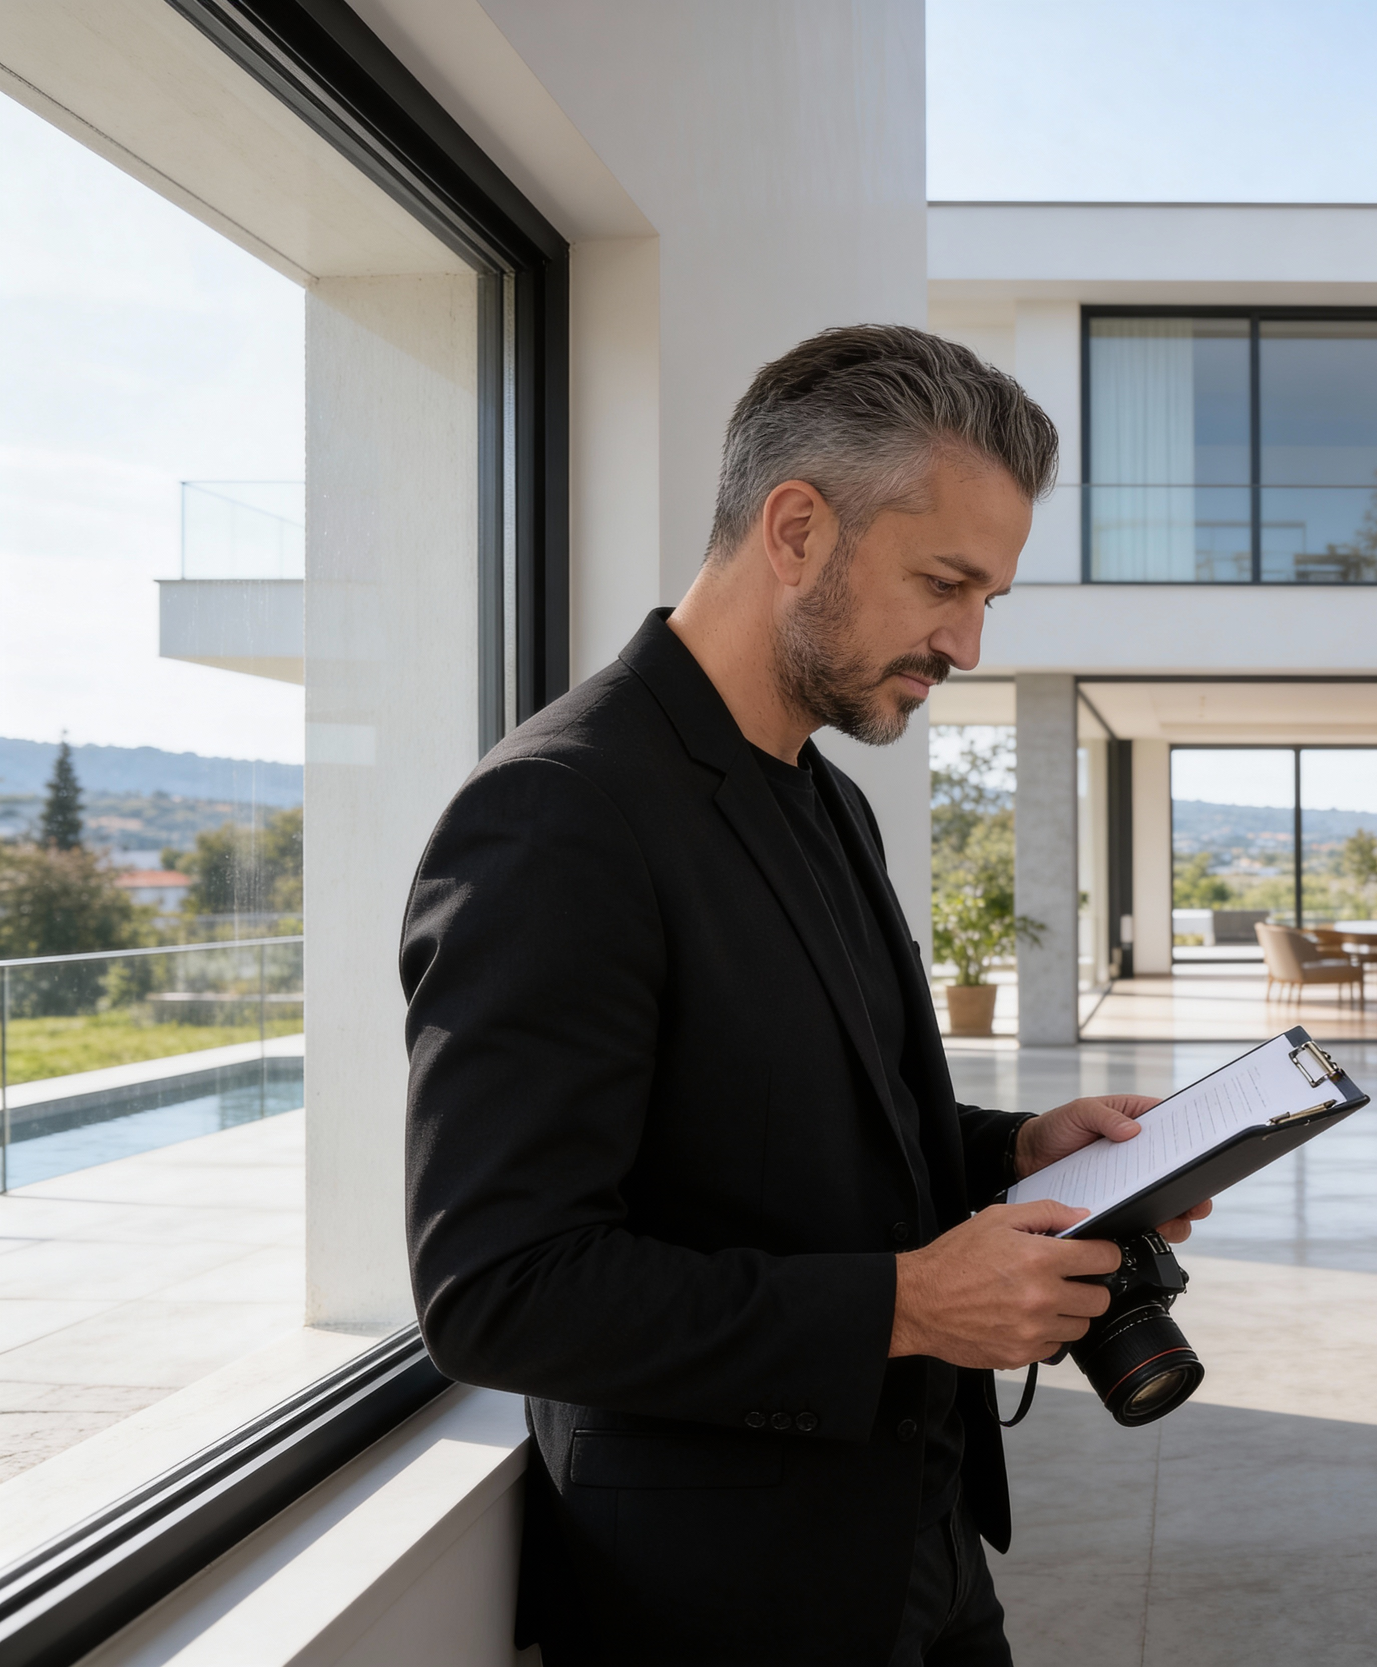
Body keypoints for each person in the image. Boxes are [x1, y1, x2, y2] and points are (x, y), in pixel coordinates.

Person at [401, 324, 1209, 1665]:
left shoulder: (825, 797)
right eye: (944, 582)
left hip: (925, 1544)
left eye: (989, 600)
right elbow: (498, 1285)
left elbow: (817, 1116)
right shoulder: (557, 816)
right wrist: (906, 1306)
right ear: (794, 528)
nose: (964, 639)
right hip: (726, 1601)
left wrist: (1014, 1148)